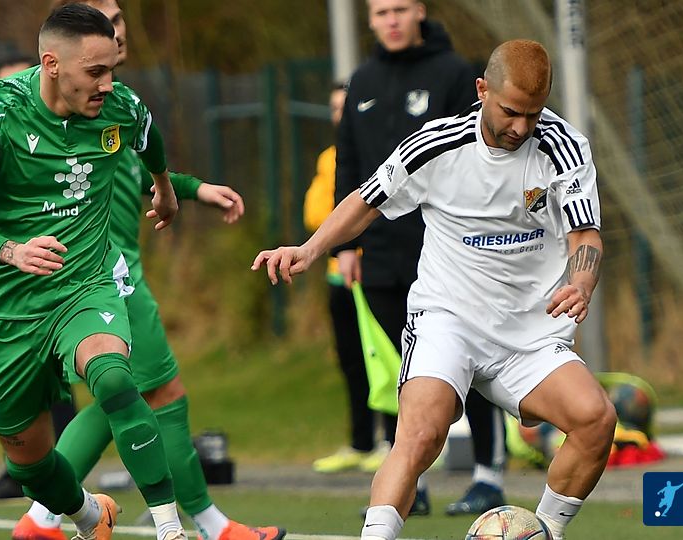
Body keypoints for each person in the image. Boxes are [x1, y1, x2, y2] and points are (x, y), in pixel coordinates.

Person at [253, 39, 617, 540]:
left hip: (530, 331)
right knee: (421, 434)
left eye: (533, 115)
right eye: (511, 111)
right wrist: (310, 249)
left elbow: (585, 234)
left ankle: (544, 532)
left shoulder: (563, 148)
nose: (521, 127)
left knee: (596, 419)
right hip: (449, 320)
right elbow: (366, 201)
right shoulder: (436, 144)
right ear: (482, 90)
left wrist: (581, 282)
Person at [10, 2, 285, 540]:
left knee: (123, 395)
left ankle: (42, 519)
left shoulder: (110, 104)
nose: (115, 28)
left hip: (108, 271)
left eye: (119, 16)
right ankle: (208, 527)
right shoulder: (62, 109)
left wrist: (190, 189)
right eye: (102, 18)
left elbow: (131, 173)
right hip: (103, 275)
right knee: (161, 393)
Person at [0, 5, 188, 540]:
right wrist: (13, 251)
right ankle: (89, 515)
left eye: (112, 70)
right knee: (29, 467)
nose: (108, 84)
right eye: (95, 72)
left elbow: (149, 138)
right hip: (8, 305)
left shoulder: (119, 106)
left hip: (85, 284)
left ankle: (171, 529)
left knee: (115, 377)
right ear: (52, 65)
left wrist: (165, 189)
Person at [333, 0, 506, 515]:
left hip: (447, 250)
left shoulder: (453, 73)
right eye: (381, 12)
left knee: (470, 361)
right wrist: (344, 246)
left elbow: (477, 156)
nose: (391, 20)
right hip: (379, 254)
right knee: (401, 369)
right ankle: (412, 481)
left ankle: (488, 474)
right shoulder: (362, 81)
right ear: (369, 18)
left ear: (419, 12)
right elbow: (349, 164)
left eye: (400, 9)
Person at [0, 55, 81, 505]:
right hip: (2, 286)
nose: (11, 96)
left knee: (108, 378)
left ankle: (171, 517)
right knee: (20, 434)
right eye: (1, 87)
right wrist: (8, 254)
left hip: (76, 285)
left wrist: (180, 188)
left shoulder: (84, 129)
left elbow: (143, 169)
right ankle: (40, 483)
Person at [303, 83, 380, 475]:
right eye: (333, 108)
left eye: (345, 107)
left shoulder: (378, 153)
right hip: (338, 275)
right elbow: (316, 214)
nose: (339, 115)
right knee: (352, 362)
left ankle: (393, 441)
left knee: (385, 361)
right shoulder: (328, 159)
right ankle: (360, 442)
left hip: (374, 272)